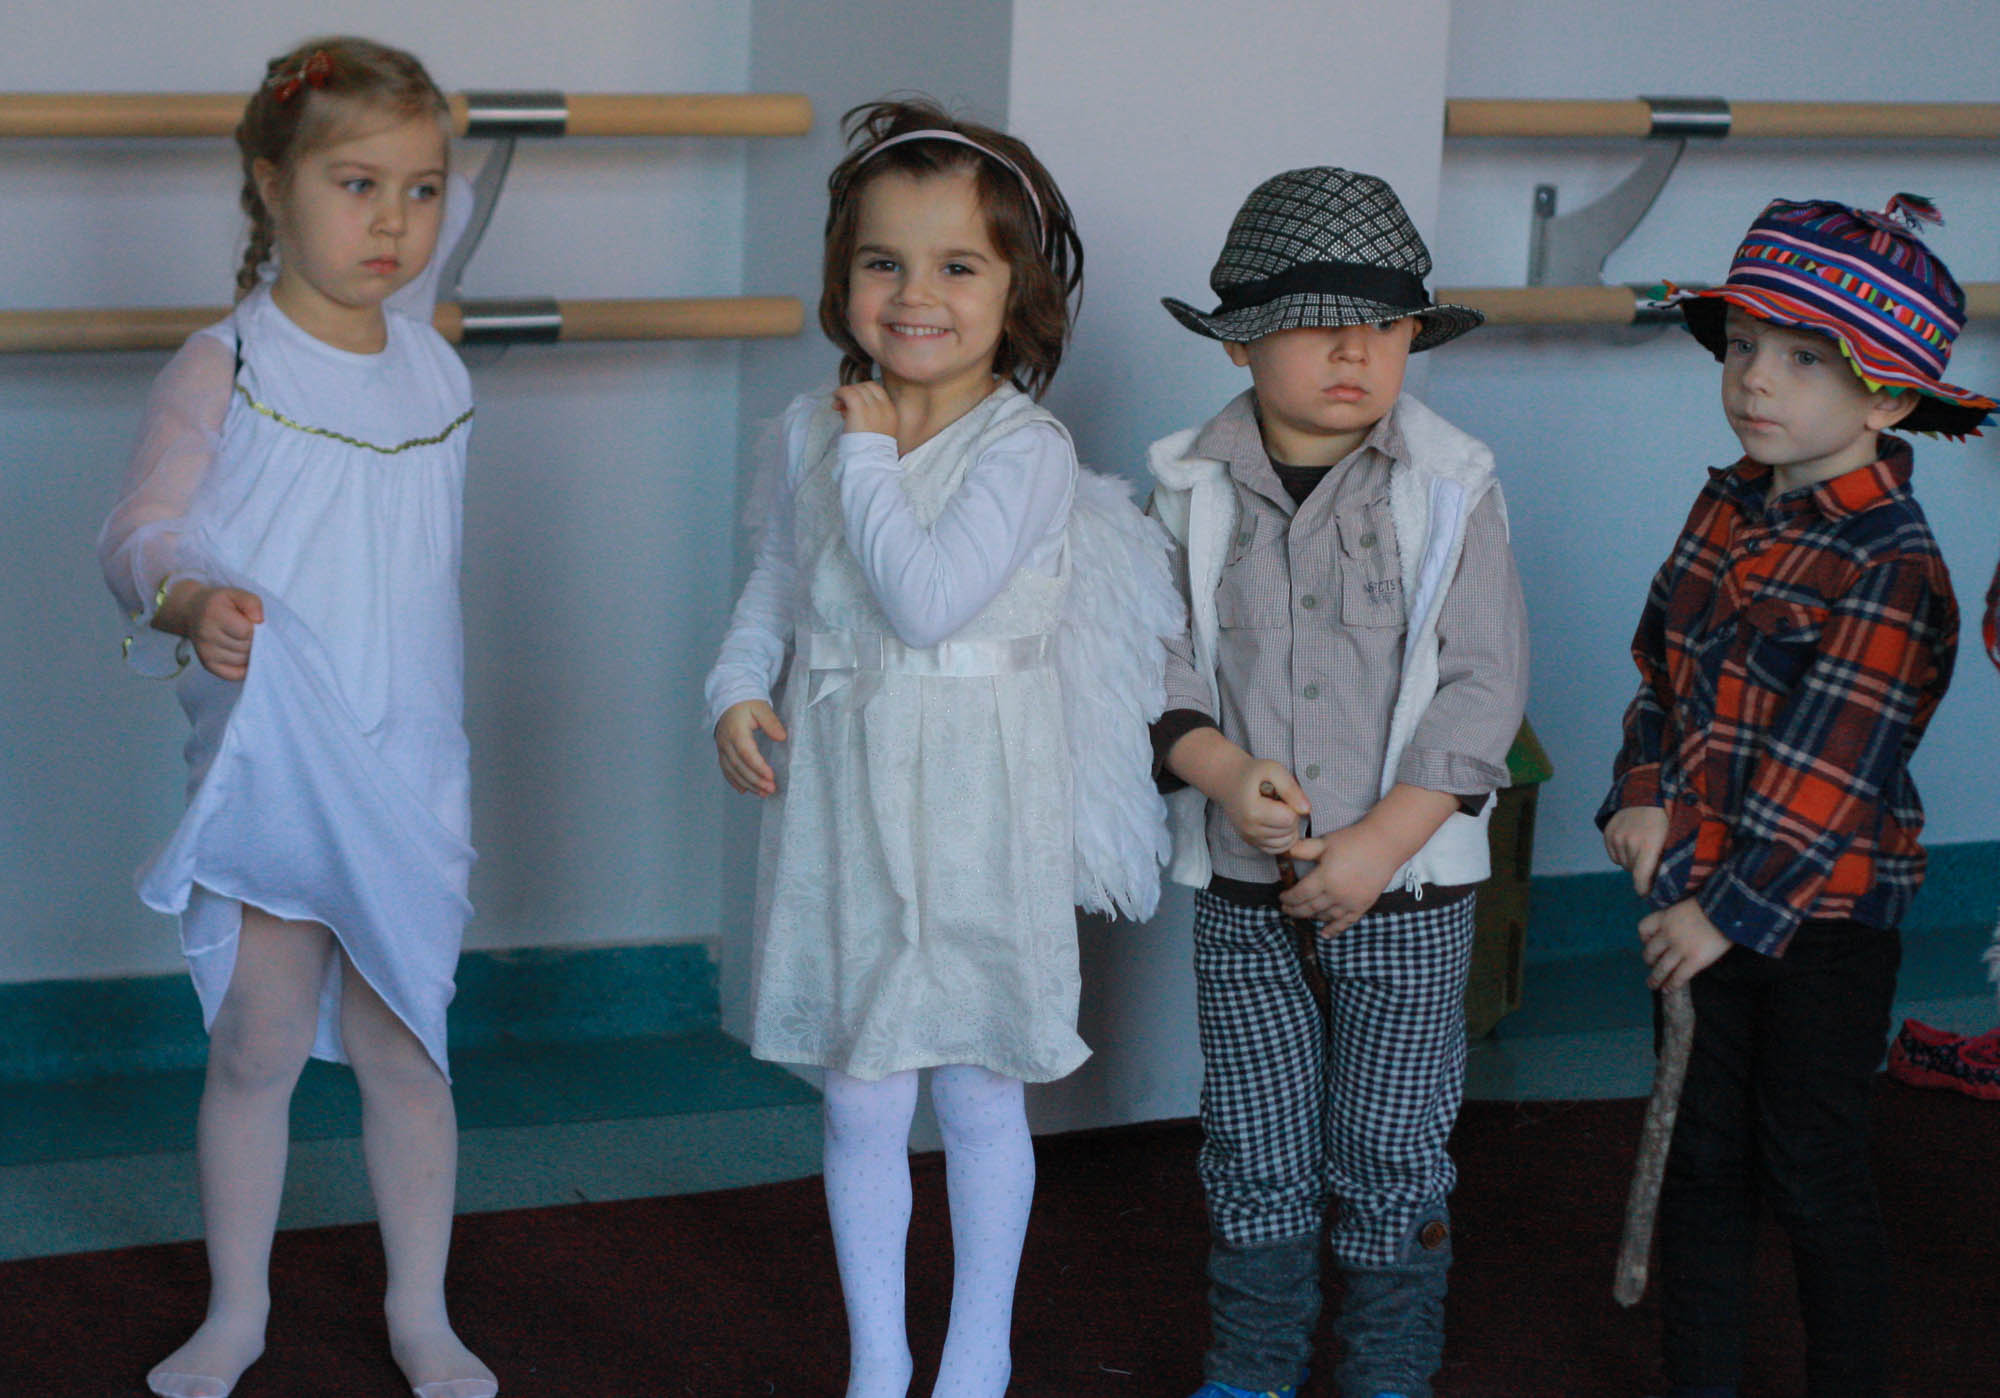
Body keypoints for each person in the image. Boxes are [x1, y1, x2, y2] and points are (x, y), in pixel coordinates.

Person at [704, 98, 1178, 1398]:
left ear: (1016, 289)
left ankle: (976, 1359)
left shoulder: (1025, 450)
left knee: (975, 1087)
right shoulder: (812, 430)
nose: (915, 295)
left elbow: (922, 600)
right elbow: (779, 584)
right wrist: (735, 689)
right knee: (858, 1092)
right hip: (846, 794)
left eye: (957, 265)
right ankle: (878, 1359)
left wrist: (866, 454)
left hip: (977, 801)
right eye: (884, 261)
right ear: (843, 276)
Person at [97, 36, 495, 1398]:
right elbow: (135, 534)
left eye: (423, 189)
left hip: (410, 761)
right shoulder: (229, 363)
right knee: (259, 1039)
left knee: (406, 1046)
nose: (395, 222)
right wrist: (188, 596)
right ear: (272, 186)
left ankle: (421, 1313)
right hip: (279, 758)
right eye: (357, 183)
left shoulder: (435, 370)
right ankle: (238, 1310)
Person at [1599, 194, 1994, 1398]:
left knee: (1810, 1168)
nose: (1754, 380)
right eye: (1741, 346)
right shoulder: (1724, 501)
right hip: (1693, 895)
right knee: (1698, 1162)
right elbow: (1660, 667)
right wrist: (1641, 791)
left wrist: (1719, 913)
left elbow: (1834, 771)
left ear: (1886, 402)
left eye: (1802, 359)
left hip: (1816, 923)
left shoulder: (1891, 562)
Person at [1147, 167, 1529, 1398]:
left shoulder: (1450, 486)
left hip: (1407, 892)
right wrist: (1220, 771)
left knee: (1390, 1150)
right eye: (1316, 324)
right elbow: (1151, 665)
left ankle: (1384, 1375)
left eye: (1383, 324)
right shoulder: (1186, 488)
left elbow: (1482, 683)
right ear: (1240, 341)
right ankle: (1252, 1368)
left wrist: (1379, 842)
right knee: (1251, 1144)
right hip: (1243, 891)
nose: (1354, 351)